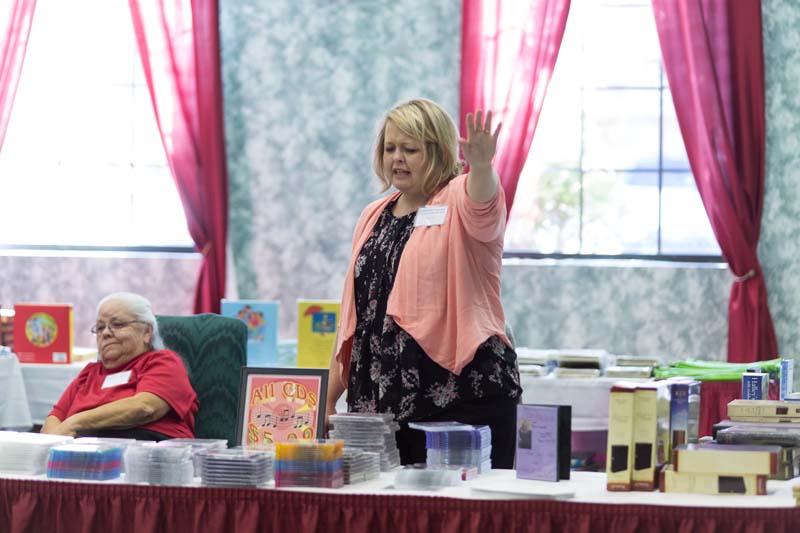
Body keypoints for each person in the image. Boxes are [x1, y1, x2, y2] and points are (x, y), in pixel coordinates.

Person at [326, 98, 522, 468]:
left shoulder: (460, 198)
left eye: (410, 149)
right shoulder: (373, 215)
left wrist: (482, 166)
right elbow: (356, 321)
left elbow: (484, 200)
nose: (397, 158)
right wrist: (328, 396)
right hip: (382, 404)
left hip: (461, 399)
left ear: (438, 151)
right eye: (390, 148)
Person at [41, 292, 198, 440]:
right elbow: (54, 418)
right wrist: (54, 440)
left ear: (147, 332)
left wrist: (74, 423)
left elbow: (144, 407)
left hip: (148, 450)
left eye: (117, 324)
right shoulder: (89, 373)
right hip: (85, 451)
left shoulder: (163, 362)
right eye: (100, 327)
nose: (105, 333)